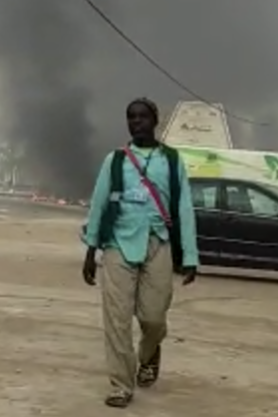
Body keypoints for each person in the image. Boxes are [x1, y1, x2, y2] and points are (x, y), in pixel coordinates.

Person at [81, 98, 199, 409]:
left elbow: (185, 207)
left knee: (154, 318)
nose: (136, 122)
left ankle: (149, 353)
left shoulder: (172, 161)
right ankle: (121, 384)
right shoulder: (116, 160)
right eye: (131, 117)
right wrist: (90, 249)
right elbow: (99, 203)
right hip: (117, 245)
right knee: (117, 321)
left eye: (143, 117)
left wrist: (190, 255)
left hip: (157, 243)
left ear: (155, 120)